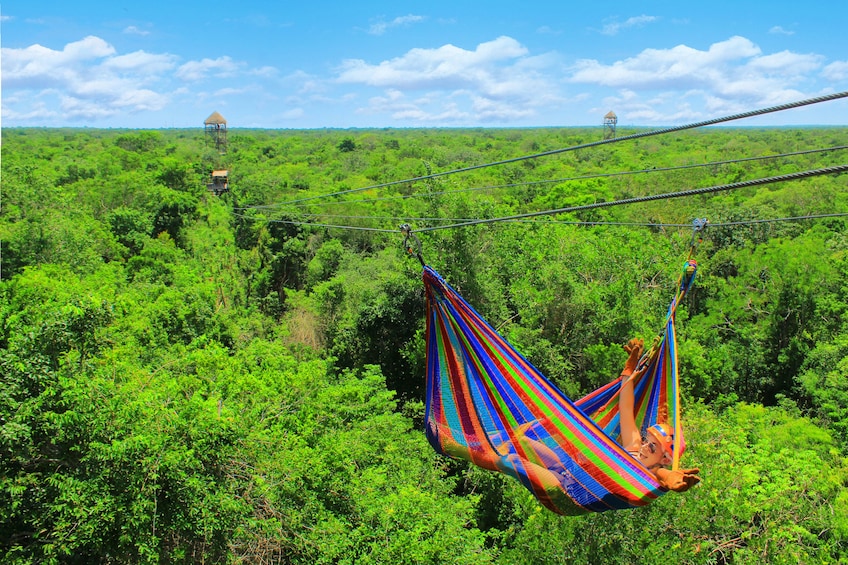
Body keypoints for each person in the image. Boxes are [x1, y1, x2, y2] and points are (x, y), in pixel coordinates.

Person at [619, 338, 701, 492]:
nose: (643, 447)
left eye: (651, 447)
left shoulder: (651, 474)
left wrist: (670, 477)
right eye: (646, 441)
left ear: (664, 459)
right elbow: (626, 408)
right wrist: (628, 371)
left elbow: (661, 473)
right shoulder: (633, 448)